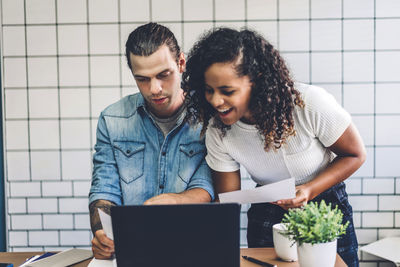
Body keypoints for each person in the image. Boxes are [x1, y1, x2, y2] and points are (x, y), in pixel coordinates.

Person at [182, 27, 365, 267]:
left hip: (324, 206)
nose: (216, 101)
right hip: (268, 211)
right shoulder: (218, 130)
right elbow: (229, 202)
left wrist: (309, 189)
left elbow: (355, 154)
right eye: (209, 90)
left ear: (255, 83)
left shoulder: (308, 104)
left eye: (227, 91)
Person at [88, 23, 214, 259]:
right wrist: (102, 232)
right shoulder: (112, 120)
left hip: (194, 249)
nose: (154, 89)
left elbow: (207, 187)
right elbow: (104, 190)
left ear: (181, 64)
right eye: (142, 79)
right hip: (134, 251)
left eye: (163, 75)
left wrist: (175, 201)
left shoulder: (210, 116)